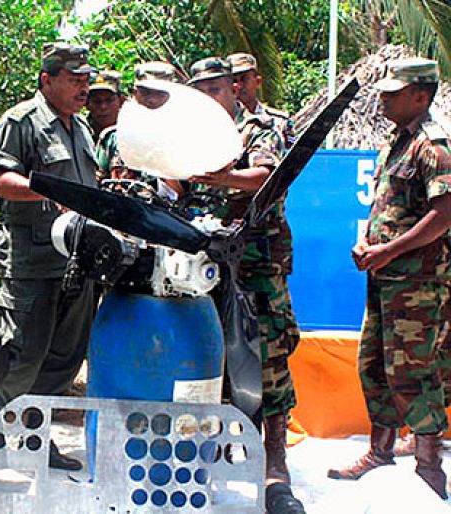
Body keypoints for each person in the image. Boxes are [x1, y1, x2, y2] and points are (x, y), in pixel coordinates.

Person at [327, 57, 451, 500]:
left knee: (414, 375)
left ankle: (429, 468)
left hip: (417, 285)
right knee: (374, 367)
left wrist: (389, 251)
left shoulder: (433, 146)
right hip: (385, 278)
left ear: (421, 95)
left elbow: (444, 214)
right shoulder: (396, 143)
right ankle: (379, 451)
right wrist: (365, 241)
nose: (383, 97)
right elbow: (383, 206)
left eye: (393, 91)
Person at [187, 57, 304, 513]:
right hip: (205, 267)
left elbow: (267, 176)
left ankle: (276, 468)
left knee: (269, 363)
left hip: (257, 265)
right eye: (200, 90)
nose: (208, 98)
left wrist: (223, 178)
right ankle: (207, 461)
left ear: (233, 90)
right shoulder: (189, 131)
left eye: (215, 89)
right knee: (209, 364)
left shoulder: (255, 128)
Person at [0, 42, 97, 470]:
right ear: (46, 80)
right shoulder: (22, 121)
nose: (83, 87)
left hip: (76, 261)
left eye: (86, 79)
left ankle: (35, 439)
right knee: (23, 356)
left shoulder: (81, 129)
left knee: (65, 359)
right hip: (32, 261)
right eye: (74, 79)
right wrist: (48, 189)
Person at [95, 61, 180, 184]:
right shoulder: (113, 138)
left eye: (161, 93)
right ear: (135, 93)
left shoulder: (183, 138)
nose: (152, 99)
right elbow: (98, 184)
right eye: (146, 92)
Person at [228, 52, 296, 149]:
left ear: (258, 81)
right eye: (234, 80)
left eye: (244, 79)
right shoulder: (222, 121)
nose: (239, 86)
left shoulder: (279, 121)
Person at [86, 70, 123, 142]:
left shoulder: (131, 132)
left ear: (121, 101)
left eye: (109, 100)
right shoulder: (78, 131)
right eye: (97, 101)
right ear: (86, 103)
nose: (103, 107)